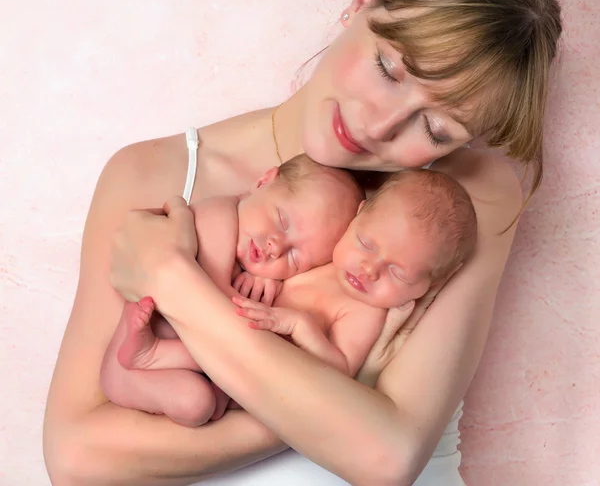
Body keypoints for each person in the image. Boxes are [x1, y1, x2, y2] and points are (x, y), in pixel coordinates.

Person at [43, 0, 562, 486]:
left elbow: (385, 460)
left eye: (435, 129)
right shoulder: (156, 173)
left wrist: (174, 282)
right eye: (389, 69)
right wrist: (350, 388)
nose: (377, 125)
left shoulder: (460, 201)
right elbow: (79, 460)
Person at [102, 168, 476, 431]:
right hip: (195, 323)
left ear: (424, 288)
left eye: (398, 273)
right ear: (356, 220)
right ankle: (145, 352)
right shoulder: (326, 251)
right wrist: (256, 275)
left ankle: (147, 357)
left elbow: (340, 370)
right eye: (365, 243)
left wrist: (300, 325)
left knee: (199, 405)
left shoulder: (365, 312)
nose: (368, 270)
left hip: (226, 363)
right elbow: (269, 254)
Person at [100, 153, 364, 427]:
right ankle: (147, 353)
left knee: (197, 405)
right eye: (282, 221)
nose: (276, 247)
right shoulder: (220, 214)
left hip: (155, 372)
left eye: (295, 258)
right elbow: (209, 300)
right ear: (263, 182)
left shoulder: (261, 271)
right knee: (246, 352)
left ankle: (155, 356)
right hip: (127, 362)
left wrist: (261, 278)